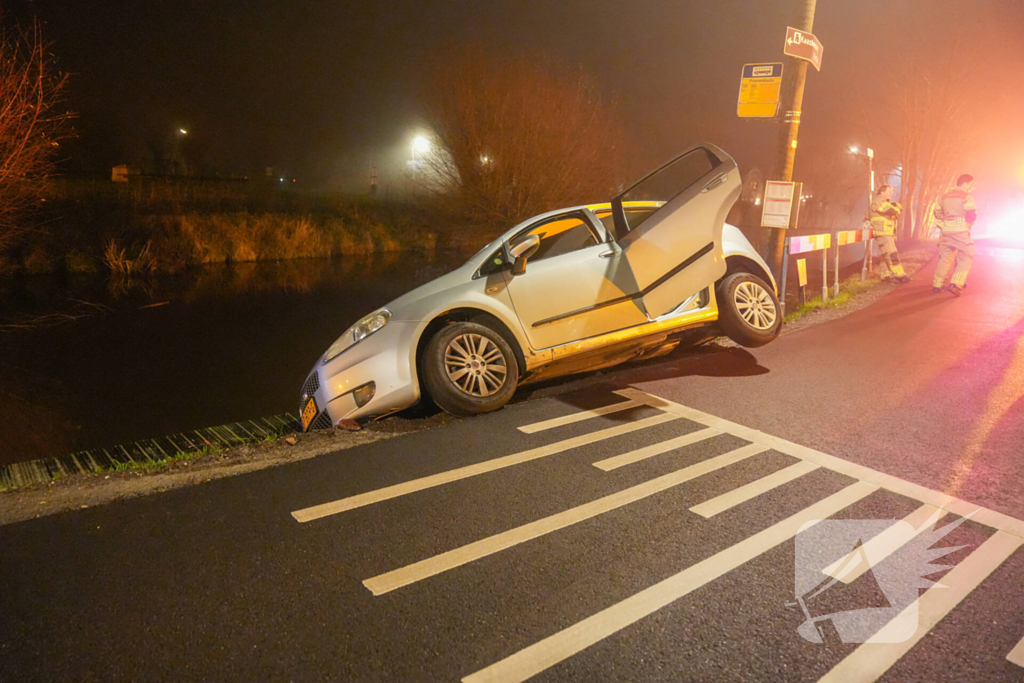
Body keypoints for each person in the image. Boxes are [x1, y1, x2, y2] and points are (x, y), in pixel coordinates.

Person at [932, 174, 977, 297]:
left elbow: (936, 212)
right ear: (965, 183)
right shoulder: (967, 196)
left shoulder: (944, 196)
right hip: (960, 231)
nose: (971, 187)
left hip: (946, 231)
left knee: (945, 258)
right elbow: (971, 214)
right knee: (966, 255)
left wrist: (945, 221)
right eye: (971, 184)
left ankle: (937, 284)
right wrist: (968, 225)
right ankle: (956, 284)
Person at [868, 184, 911, 283]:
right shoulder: (878, 201)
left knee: (885, 255)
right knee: (892, 254)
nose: (891, 194)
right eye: (889, 191)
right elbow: (892, 210)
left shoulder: (883, 202)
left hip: (885, 233)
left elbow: (896, 208)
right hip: (882, 233)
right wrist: (896, 208)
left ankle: (885, 275)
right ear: (882, 192)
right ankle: (900, 275)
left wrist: (896, 207)